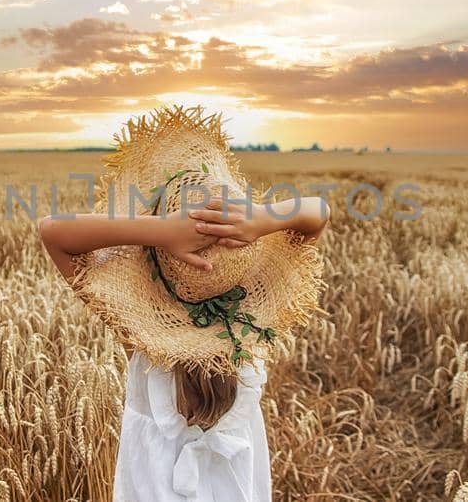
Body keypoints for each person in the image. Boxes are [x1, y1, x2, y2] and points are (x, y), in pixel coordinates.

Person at [37, 106, 329, 501]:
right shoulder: (244, 331)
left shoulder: (139, 335)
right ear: (247, 270)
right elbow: (317, 212)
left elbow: (53, 231)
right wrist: (262, 219)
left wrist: (157, 232)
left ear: (152, 271)